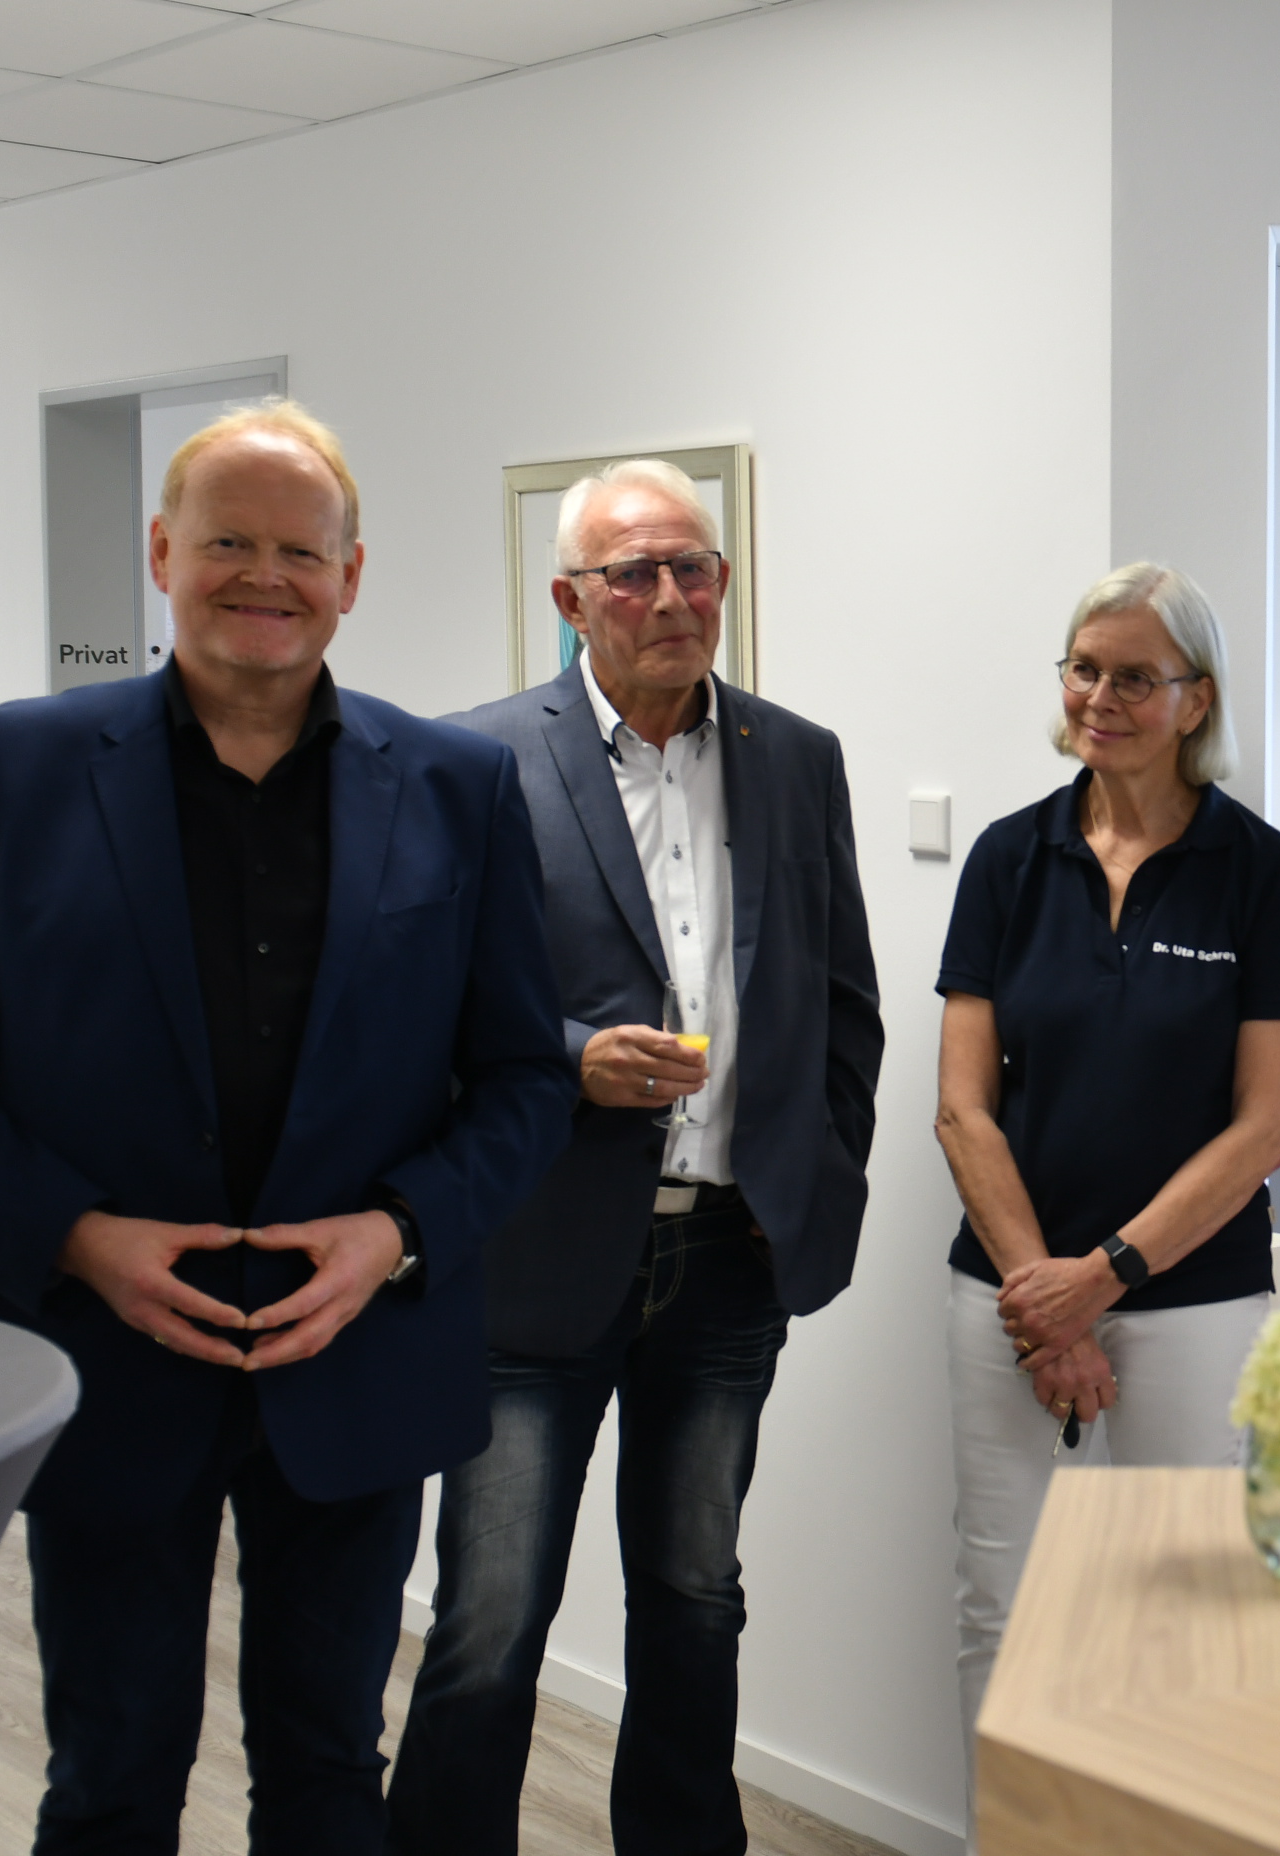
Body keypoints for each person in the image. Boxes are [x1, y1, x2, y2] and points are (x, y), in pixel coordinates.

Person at [0, 403, 572, 1851]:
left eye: (301, 551)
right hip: (111, 1359)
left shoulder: (457, 786)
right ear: (162, 553)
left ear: (351, 574)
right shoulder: (19, 770)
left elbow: (523, 1075)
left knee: (326, 1772)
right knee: (110, 1773)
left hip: (358, 1360)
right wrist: (75, 1233)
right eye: (228, 543)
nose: (265, 576)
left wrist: (398, 1234)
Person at [389, 459, 884, 1856]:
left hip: (728, 1256)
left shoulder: (797, 757)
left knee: (695, 1598)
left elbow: (843, 998)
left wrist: (814, 1180)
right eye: (633, 573)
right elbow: (414, 1014)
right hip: (534, 1261)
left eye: (693, 567)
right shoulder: (477, 762)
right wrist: (568, 1062)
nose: (671, 597)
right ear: (571, 599)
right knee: (492, 1618)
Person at [935, 563, 1280, 1758]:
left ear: (1197, 698)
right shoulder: (1008, 858)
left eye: (1136, 676)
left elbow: (1263, 1127)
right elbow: (963, 1109)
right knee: (1004, 1605)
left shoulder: (1263, 871)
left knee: (1185, 1617)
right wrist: (1045, 1299)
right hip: (1008, 1293)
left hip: (1194, 1297)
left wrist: (1099, 1278)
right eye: (1085, 668)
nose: (1101, 697)